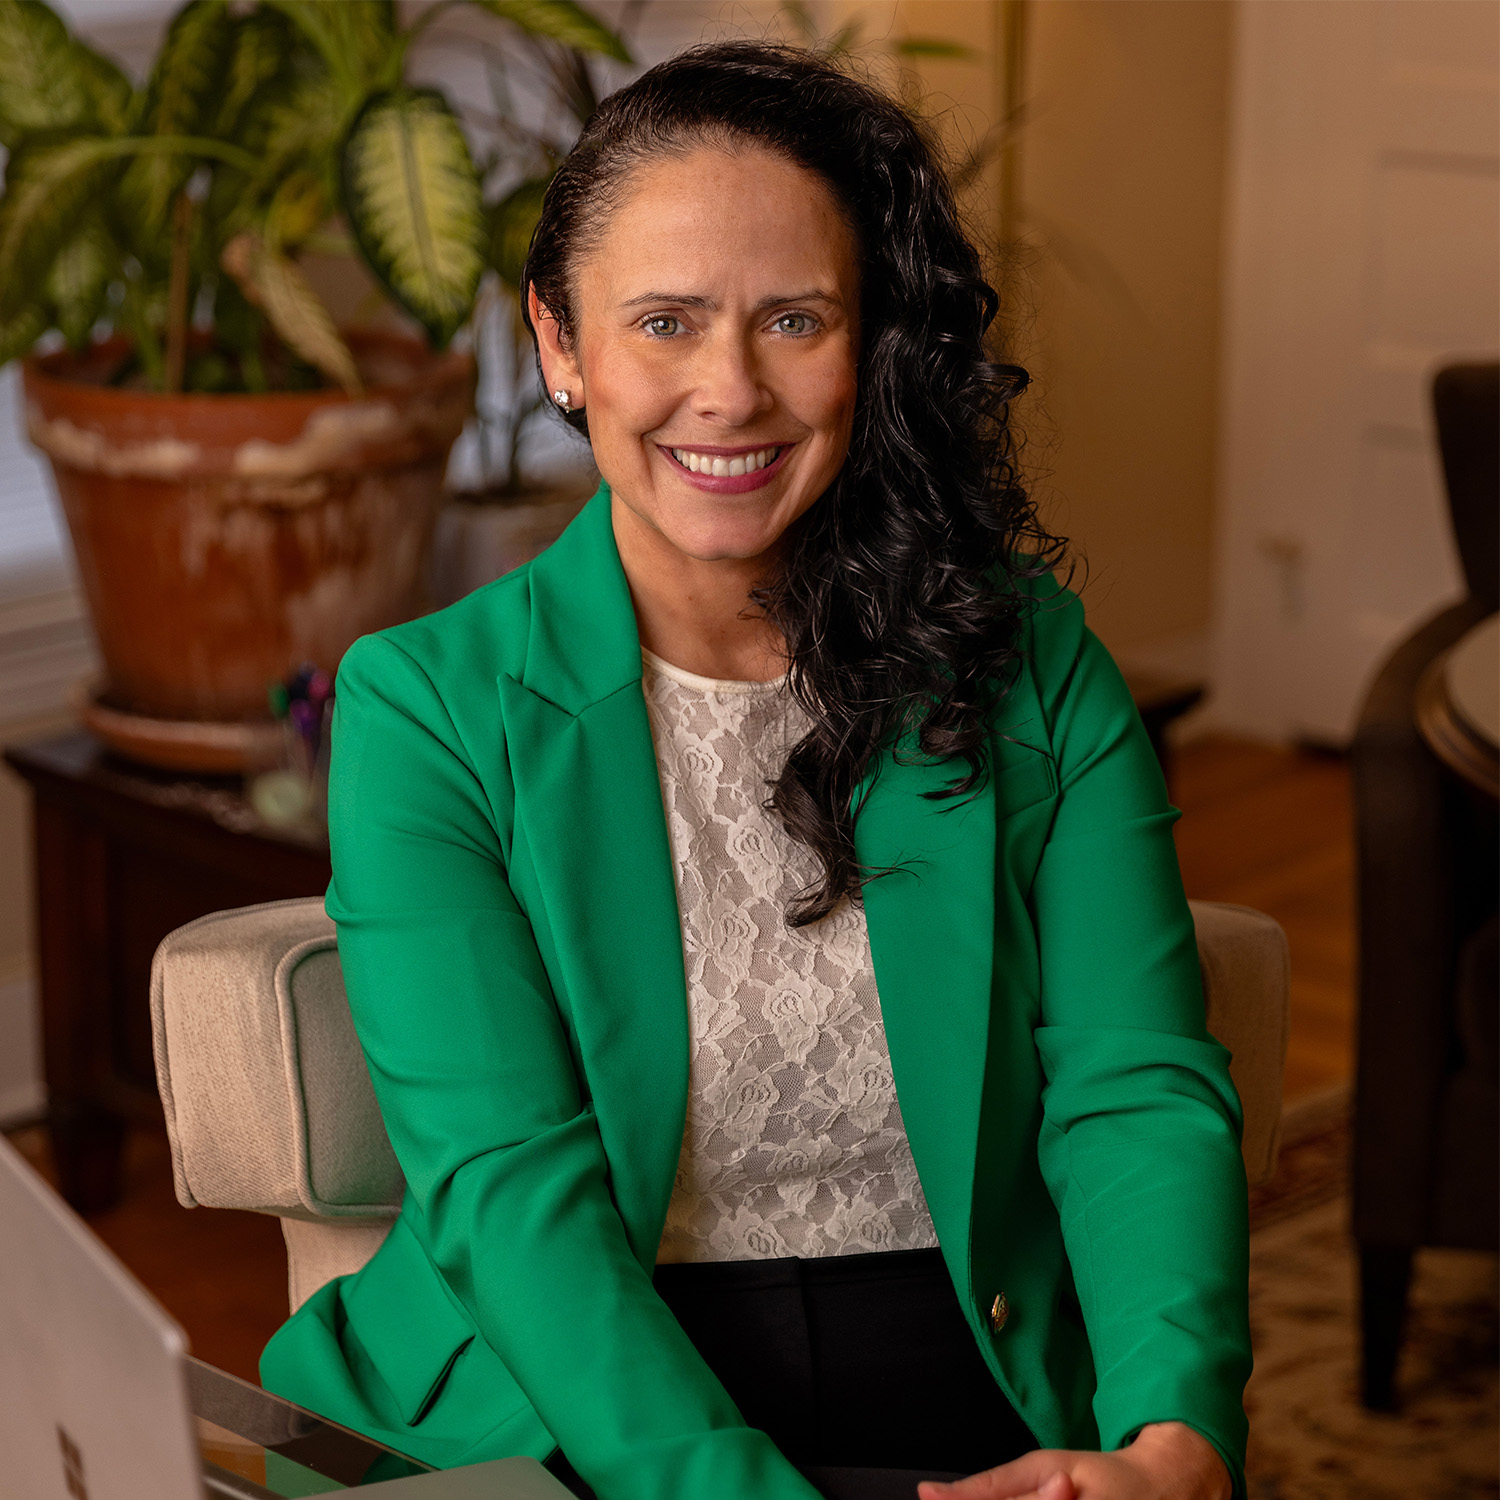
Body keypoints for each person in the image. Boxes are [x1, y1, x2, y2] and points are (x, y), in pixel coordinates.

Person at [260, 40, 1250, 1500]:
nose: (728, 390)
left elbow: (1134, 1079)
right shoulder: (431, 709)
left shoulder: (1028, 658)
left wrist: (1172, 1448)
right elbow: (510, 1186)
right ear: (560, 345)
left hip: (976, 1367)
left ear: (874, 342)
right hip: (582, 1388)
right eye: (664, 321)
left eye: (795, 318)